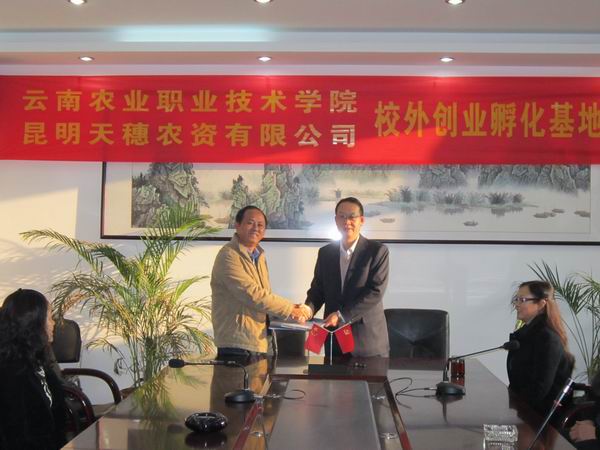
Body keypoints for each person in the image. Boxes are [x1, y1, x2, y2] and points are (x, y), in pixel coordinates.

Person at [211, 205, 309, 360]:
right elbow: (252, 294)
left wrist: (292, 311)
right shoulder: (228, 255)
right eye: (250, 223)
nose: (256, 228)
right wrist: (290, 308)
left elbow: (265, 297)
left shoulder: (259, 256)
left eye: (260, 225)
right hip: (237, 343)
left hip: (258, 340)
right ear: (237, 225)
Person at [303, 197, 390, 357]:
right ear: (336, 220)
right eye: (342, 216)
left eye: (352, 217)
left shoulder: (377, 251)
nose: (346, 221)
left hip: (367, 342)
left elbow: (375, 292)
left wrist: (341, 316)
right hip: (335, 341)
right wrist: (307, 309)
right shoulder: (325, 253)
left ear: (361, 220)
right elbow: (318, 290)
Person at [0, 288, 67, 450]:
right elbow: (18, 437)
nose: (53, 323)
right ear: (33, 324)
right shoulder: (12, 374)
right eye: (49, 317)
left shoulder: (37, 360)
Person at [507, 280, 574, 417]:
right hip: (524, 408)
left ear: (541, 304)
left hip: (540, 416)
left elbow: (539, 388)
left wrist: (515, 412)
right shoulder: (529, 332)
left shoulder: (547, 337)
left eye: (522, 300)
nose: (516, 304)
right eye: (516, 299)